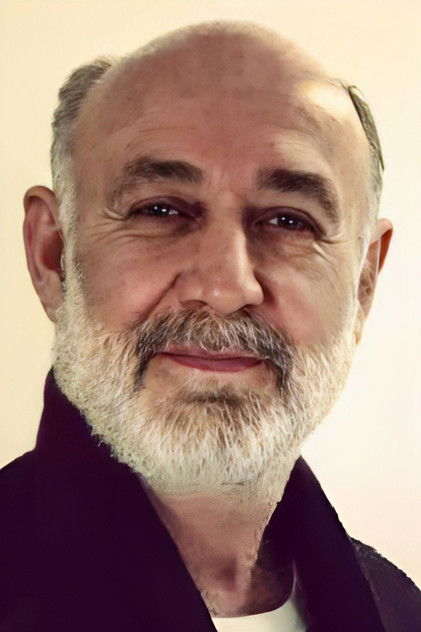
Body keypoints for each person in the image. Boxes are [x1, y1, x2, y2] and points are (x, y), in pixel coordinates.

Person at [1, 20, 420, 632]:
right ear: (53, 257)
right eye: (159, 209)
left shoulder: (401, 609)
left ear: (363, 283)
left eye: (289, 221)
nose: (224, 289)